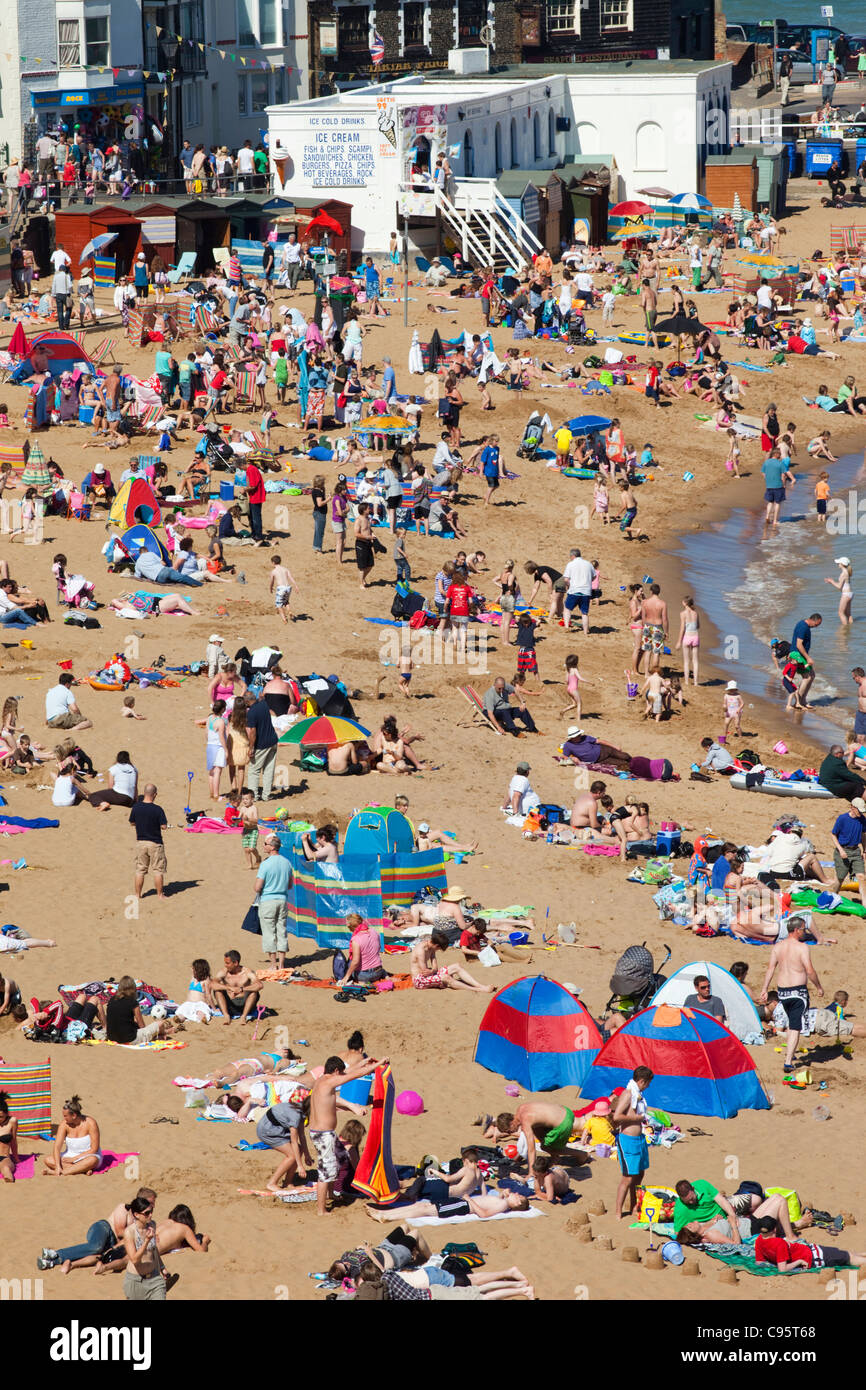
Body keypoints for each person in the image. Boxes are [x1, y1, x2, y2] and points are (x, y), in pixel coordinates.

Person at [310, 1054, 384, 1215]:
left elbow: (348, 1072)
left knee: (333, 1166)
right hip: (323, 1134)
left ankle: (330, 1195)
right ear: (336, 1070)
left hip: (321, 1133)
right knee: (325, 1172)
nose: (341, 1076)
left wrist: (363, 1062)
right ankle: (321, 1210)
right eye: (340, 1073)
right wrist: (377, 1066)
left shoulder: (322, 1081)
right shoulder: (329, 1082)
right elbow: (352, 1075)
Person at [758, 917, 823, 1072]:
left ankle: (791, 1054)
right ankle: (788, 1062)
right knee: (795, 1027)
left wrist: (764, 988)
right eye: (802, 929)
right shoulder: (802, 947)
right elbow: (810, 970)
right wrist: (819, 986)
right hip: (798, 993)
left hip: (783, 993)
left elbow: (770, 969)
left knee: (792, 1022)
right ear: (795, 930)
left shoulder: (778, 947)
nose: (804, 932)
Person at [612, 1066, 653, 1219]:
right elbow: (617, 1116)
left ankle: (634, 1206)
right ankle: (618, 1212)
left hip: (639, 1139)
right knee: (627, 1177)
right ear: (641, 1081)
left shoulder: (638, 1094)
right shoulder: (628, 1094)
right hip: (627, 1139)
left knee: (640, 1173)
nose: (648, 1086)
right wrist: (636, 1119)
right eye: (647, 1083)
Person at [754, 1222, 866, 1272]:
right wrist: (798, 1262)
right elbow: (782, 1269)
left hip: (814, 1251)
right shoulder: (779, 1243)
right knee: (849, 1258)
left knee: (847, 1254)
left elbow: (759, 1262)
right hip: (816, 1257)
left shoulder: (759, 1240)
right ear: (774, 1229)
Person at [410, 931, 494, 993]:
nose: (438, 950)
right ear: (436, 945)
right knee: (446, 977)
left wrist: (432, 971)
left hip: (428, 974)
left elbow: (434, 967)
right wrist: (433, 971)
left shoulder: (431, 947)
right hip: (419, 980)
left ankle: (479, 985)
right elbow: (425, 971)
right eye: (439, 948)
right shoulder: (421, 951)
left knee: (457, 966)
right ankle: (478, 990)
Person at [254, 833, 291, 969]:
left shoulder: (266, 864)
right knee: (281, 931)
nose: (263, 846)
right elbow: (290, 885)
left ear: (271, 847)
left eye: (265, 844)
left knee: (269, 932)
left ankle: (273, 964)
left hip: (268, 900)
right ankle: (281, 964)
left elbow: (257, 887)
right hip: (282, 899)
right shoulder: (286, 862)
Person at [106, 975, 178, 1045]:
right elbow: (142, 1026)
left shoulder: (112, 999)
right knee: (160, 1023)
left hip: (112, 1037)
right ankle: (166, 1032)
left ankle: (160, 1034)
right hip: (130, 1039)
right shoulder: (133, 1002)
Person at [42, 1094, 101, 1177]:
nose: (64, 1118)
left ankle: (62, 1172)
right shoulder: (64, 1124)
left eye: (66, 1116)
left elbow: (94, 1149)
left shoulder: (90, 1123)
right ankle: (82, 1170)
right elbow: (57, 1147)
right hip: (69, 1155)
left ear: (73, 1115)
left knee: (93, 1160)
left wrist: (74, 1159)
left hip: (87, 1156)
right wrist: (58, 1166)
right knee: (48, 1160)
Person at [123, 1195, 166, 1301]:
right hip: (136, 1281)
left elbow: (153, 1250)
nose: (150, 1215)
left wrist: (162, 1267)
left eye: (151, 1211)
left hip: (154, 1278)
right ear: (136, 1214)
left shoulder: (152, 1225)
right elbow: (134, 1259)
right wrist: (146, 1241)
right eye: (146, 1213)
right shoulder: (130, 1232)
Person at [129, 783, 168, 901]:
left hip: (141, 842)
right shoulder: (158, 809)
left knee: (140, 870)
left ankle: (137, 894)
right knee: (157, 870)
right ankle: (160, 895)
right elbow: (164, 826)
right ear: (154, 794)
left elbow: (132, 822)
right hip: (155, 843)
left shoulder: (136, 807)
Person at [830, 797, 866, 908]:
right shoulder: (842, 819)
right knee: (840, 878)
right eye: (859, 810)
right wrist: (841, 850)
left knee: (862, 877)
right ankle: (832, 897)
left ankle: (865, 905)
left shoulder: (863, 820)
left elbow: (863, 835)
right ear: (852, 807)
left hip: (855, 851)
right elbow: (833, 834)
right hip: (843, 850)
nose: (860, 813)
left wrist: (864, 850)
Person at [211, 949, 261, 1025]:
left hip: (245, 1004)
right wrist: (229, 988)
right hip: (229, 1004)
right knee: (217, 990)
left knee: (254, 992)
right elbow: (212, 984)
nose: (225, 965)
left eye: (228, 963)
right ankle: (226, 1015)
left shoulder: (247, 972)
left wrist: (242, 989)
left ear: (235, 963)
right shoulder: (224, 971)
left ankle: (243, 1016)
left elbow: (259, 985)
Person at [246, 693, 278, 802]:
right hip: (272, 740)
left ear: (247, 702)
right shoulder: (263, 704)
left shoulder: (251, 713)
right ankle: (266, 795)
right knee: (269, 769)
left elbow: (253, 732)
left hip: (261, 744)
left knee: (253, 770)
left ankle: (253, 796)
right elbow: (263, 698)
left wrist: (251, 747)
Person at [340, 913, 387, 985]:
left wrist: (346, 977)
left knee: (350, 963)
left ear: (349, 925)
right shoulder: (374, 931)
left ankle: (361, 983)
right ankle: (385, 976)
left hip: (364, 976)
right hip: (379, 972)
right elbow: (378, 949)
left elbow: (355, 962)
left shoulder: (356, 939)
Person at [562, 548, 596, 636]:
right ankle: (585, 632)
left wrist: (569, 585)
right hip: (586, 591)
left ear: (573, 556)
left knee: (567, 609)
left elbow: (566, 579)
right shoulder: (588, 564)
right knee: (584, 613)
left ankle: (566, 627)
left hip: (574, 590)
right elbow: (594, 577)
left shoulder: (571, 564)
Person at [790, 613, 822, 707]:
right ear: (813, 620)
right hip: (797, 655)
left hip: (799, 655)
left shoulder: (804, 625)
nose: (816, 626)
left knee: (811, 675)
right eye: (817, 624)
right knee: (807, 677)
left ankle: (802, 700)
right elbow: (798, 644)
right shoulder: (803, 627)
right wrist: (808, 658)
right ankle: (798, 702)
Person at [0, 1091, 19, 1183]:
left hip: (4, 1157)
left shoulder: (12, 1121)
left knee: (6, 1168)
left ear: (7, 1113)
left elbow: (13, 1141)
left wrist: (16, 1158)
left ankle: (8, 1178)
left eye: (1, 1117)